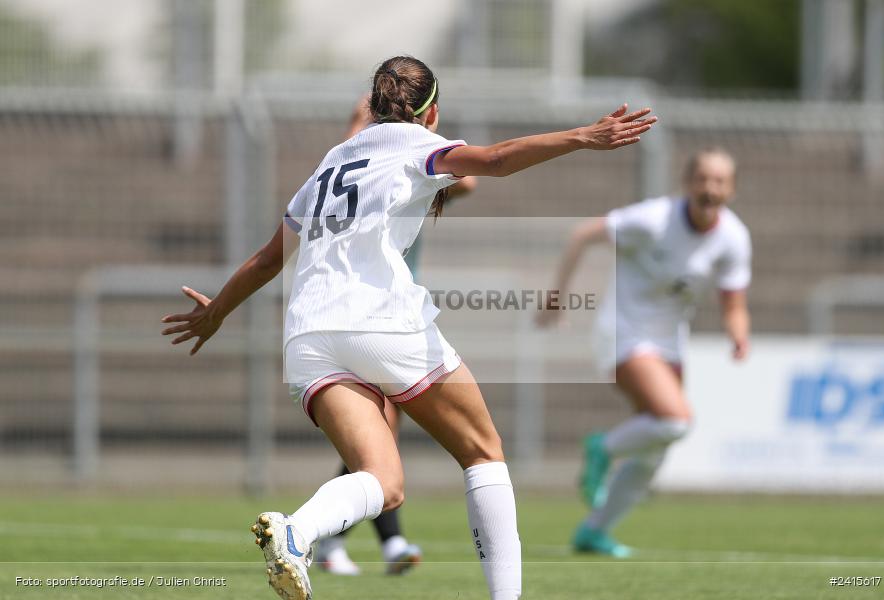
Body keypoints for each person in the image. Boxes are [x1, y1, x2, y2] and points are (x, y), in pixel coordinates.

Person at [161, 55, 656, 600]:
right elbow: (494, 160)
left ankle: (297, 531)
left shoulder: (330, 162)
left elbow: (266, 260)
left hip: (308, 336)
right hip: (380, 323)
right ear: (432, 112)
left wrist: (216, 313)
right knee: (482, 451)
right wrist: (582, 136)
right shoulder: (416, 144)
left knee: (384, 484)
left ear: (370, 107)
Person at [537, 148, 751, 558]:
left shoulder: (734, 239)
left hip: (670, 342)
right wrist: (556, 297)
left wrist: (738, 336)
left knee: (653, 451)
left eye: (720, 181)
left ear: (732, 189)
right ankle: (602, 448)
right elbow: (583, 234)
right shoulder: (654, 219)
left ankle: (593, 532)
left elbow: (734, 304)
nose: (710, 188)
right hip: (624, 332)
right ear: (689, 183)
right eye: (703, 178)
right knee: (675, 421)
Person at [315, 95, 478, 577]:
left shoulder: (409, 159)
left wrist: (423, 139)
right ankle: (331, 537)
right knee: (381, 431)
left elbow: (466, 183)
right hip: (361, 313)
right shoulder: (356, 158)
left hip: (387, 314)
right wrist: (364, 122)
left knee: (384, 433)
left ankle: (356, 541)